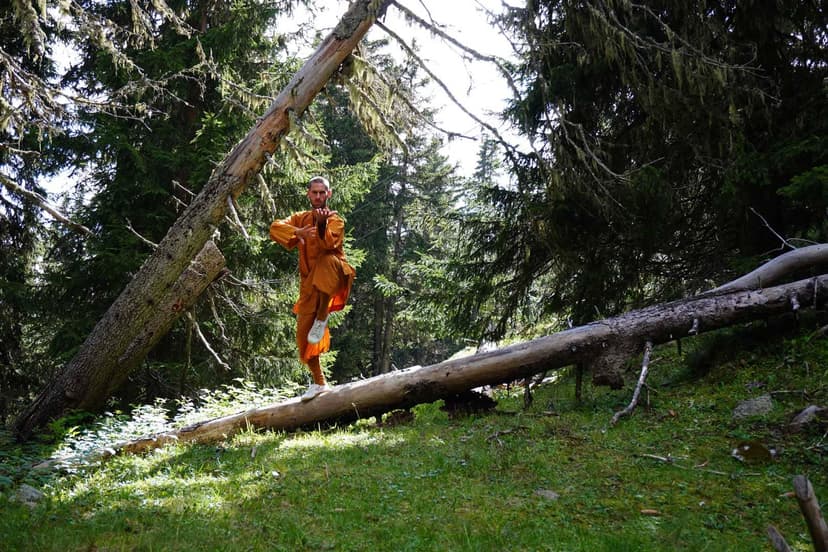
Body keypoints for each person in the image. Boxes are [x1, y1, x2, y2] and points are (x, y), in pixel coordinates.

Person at [270, 176, 355, 401]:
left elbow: (329, 245)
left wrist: (321, 225)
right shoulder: (301, 218)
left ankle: (323, 314)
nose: (318, 196)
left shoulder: (335, 220)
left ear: (329, 194)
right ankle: (319, 383)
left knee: (326, 260)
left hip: (333, 274)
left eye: (322, 192)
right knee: (304, 338)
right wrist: (298, 232)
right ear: (308, 194)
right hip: (309, 285)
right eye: (314, 192)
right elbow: (275, 227)